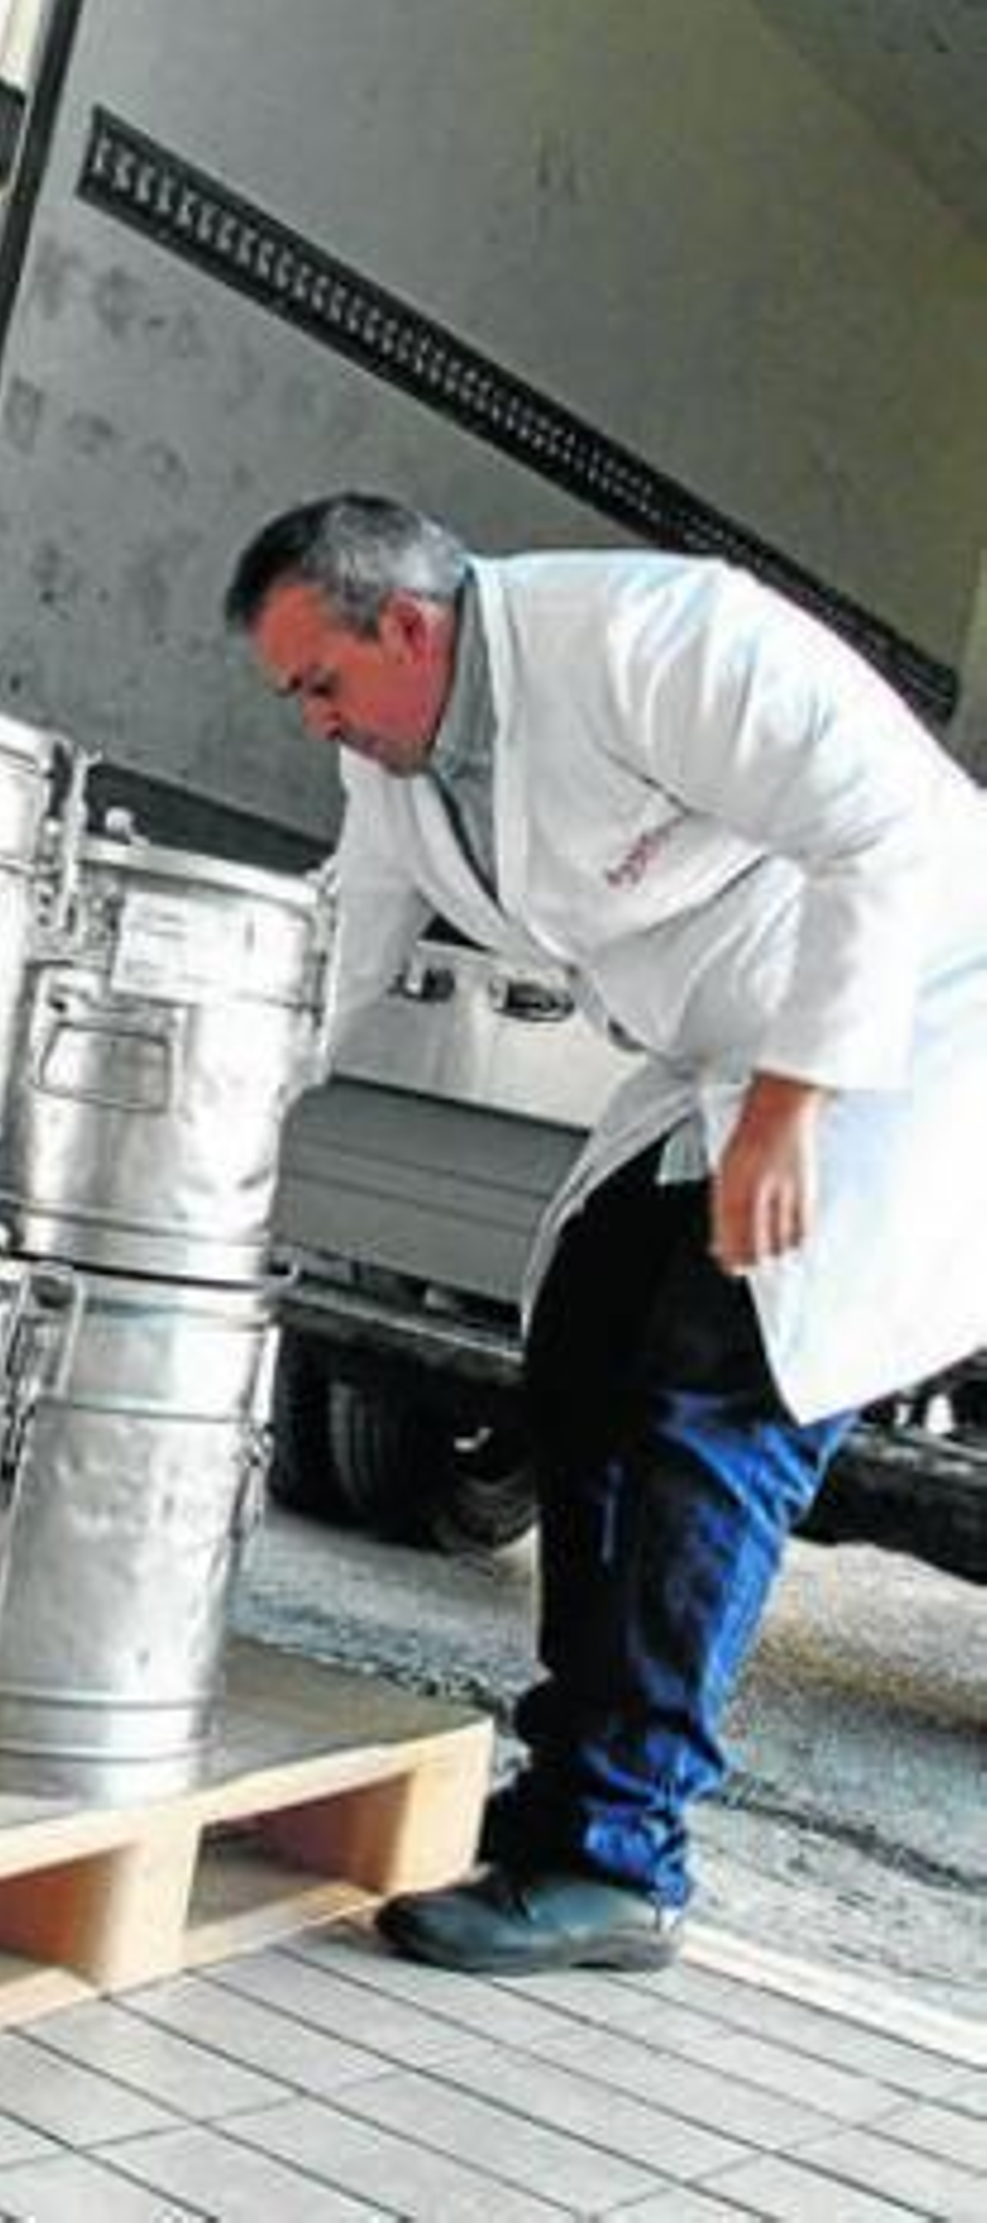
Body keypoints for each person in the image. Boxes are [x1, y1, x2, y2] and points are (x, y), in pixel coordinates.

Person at [224, 493, 987, 1975]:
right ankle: (573, 1787)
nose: (315, 720)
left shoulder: (657, 633)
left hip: (922, 1026)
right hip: (723, 1052)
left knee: (712, 1389)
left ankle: (617, 1855)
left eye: (321, 680)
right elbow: (347, 944)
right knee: (577, 1344)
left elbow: (892, 830)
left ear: (408, 624)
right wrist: (214, 1102)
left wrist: (789, 1109)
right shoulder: (402, 770)